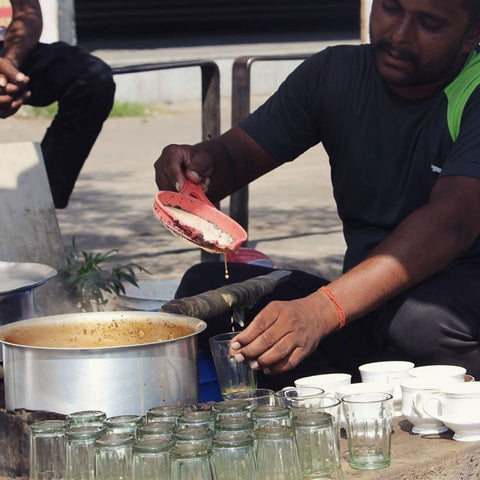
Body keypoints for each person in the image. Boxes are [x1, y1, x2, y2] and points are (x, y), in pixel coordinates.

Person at [155, 0, 480, 389]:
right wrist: (192, 172)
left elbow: (451, 223)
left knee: (418, 323)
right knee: (206, 294)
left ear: (472, 35)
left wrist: (322, 310)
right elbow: (231, 158)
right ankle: (335, 411)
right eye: (391, 9)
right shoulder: (334, 74)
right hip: (366, 305)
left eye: (429, 23)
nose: (399, 35)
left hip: (450, 308)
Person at [0, 0, 115, 208]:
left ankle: (37, 202)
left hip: (4, 49)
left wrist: (11, 64)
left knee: (91, 78)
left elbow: (27, 11)